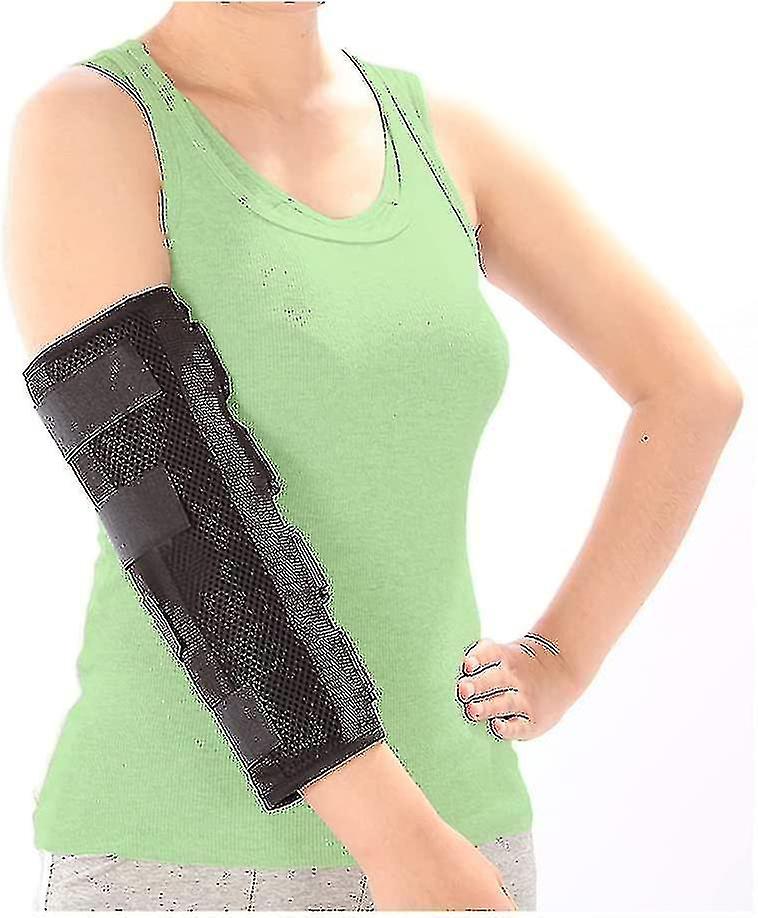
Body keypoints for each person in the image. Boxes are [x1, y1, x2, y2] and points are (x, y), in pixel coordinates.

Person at [6, 1, 742, 912]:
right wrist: (403, 844)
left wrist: (560, 659)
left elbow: (690, 394)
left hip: (463, 825)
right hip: (190, 854)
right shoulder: (93, 122)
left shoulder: (445, 141)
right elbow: (177, 509)